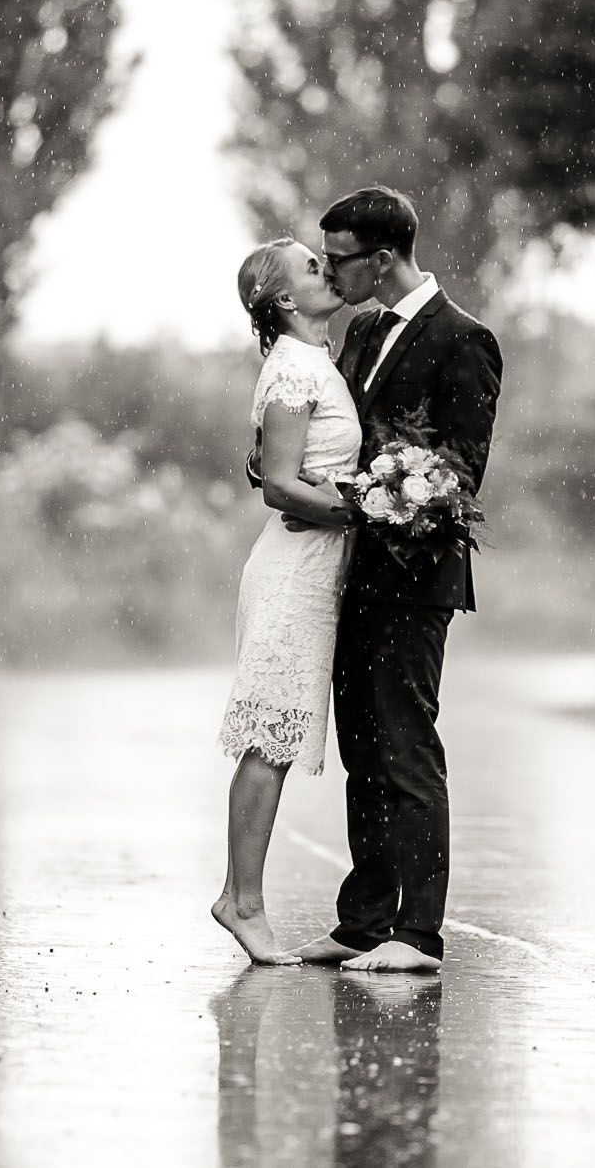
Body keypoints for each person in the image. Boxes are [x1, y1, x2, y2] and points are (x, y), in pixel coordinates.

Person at [292, 187, 501, 975]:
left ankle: (418, 932)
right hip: (351, 574)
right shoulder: (364, 329)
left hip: (417, 581)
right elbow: (338, 436)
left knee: (406, 747)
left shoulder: (465, 339)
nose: (330, 272)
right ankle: (363, 919)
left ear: (382, 258)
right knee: (363, 750)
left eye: (338, 259)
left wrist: (393, 491)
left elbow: (460, 470)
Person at [213, 238, 359, 963]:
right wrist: (359, 511)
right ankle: (242, 901)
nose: (324, 271)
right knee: (268, 737)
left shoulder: (315, 360)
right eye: (310, 267)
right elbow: (277, 483)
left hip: (316, 568)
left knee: (277, 732)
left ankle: (240, 895)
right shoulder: (295, 367)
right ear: (281, 300)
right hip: (293, 570)